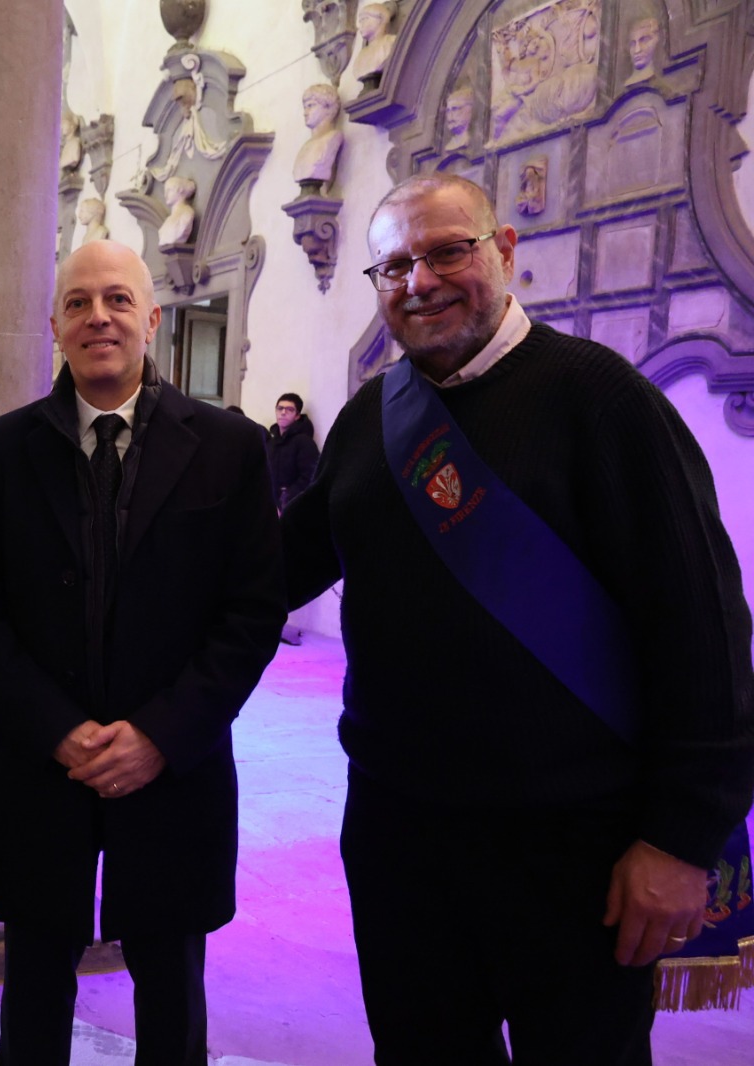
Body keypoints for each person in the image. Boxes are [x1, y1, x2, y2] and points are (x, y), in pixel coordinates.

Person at [281, 172, 754, 1062]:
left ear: (503, 253)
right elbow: (272, 570)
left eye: (448, 250)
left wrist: (679, 841)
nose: (420, 280)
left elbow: (704, 635)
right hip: (400, 838)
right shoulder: (370, 420)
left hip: (577, 847)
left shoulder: (604, 402)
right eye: (394, 266)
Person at [0, 240, 285, 1066]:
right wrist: (58, 730)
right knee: (34, 984)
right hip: (41, 767)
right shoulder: (0, 452)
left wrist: (161, 736)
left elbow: (250, 613)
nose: (98, 316)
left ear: (153, 319)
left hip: (175, 768)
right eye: (77, 303)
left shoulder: (230, 448)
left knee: (171, 987)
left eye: (117, 300)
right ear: (54, 325)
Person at [266, 392, 318, 512]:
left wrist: (286, 499)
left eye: (289, 409)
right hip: (271, 507)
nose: (283, 412)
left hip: (294, 508)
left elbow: (310, 476)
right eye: (280, 408)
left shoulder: (304, 442)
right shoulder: (271, 443)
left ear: (297, 416)